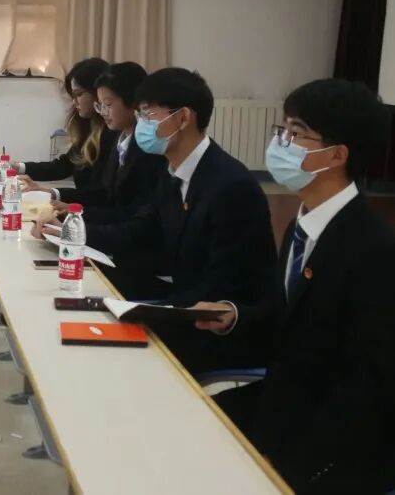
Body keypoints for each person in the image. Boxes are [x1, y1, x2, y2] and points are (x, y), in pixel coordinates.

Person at [191, 79, 395, 494]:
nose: (281, 144)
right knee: (181, 421)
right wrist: (235, 315)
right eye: (282, 130)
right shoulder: (303, 226)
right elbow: (290, 316)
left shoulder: (374, 250)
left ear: (337, 155)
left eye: (296, 133)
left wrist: (289, 466)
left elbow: (367, 386)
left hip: (332, 442)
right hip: (284, 402)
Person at [69, 68, 276, 374]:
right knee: (85, 307)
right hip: (182, 306)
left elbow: (225, 286)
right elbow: (140, 228)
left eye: (148, 115)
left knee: (102, 353)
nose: (141, 123)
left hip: (217, 329)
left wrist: (156, 313)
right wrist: (72, 231)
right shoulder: (173, 172)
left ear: (183, 118)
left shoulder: (230, 186)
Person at [38, 62, 166, 223]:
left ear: (134, 102)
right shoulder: (121, 141)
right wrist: (71, 209)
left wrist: (74, 220)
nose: (103, 112)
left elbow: (133, 217)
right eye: (100, 105)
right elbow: (106, 195)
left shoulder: (148, 148)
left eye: (108, 105)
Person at [15, 58, 117, 202]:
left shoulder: (112, 134)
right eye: (72, 96)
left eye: (79, 94)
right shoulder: (89, 128)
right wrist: (18, 167)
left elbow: (101, 195)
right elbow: (63, 166)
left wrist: (52, 193)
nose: (74, 102)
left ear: (98, 93)